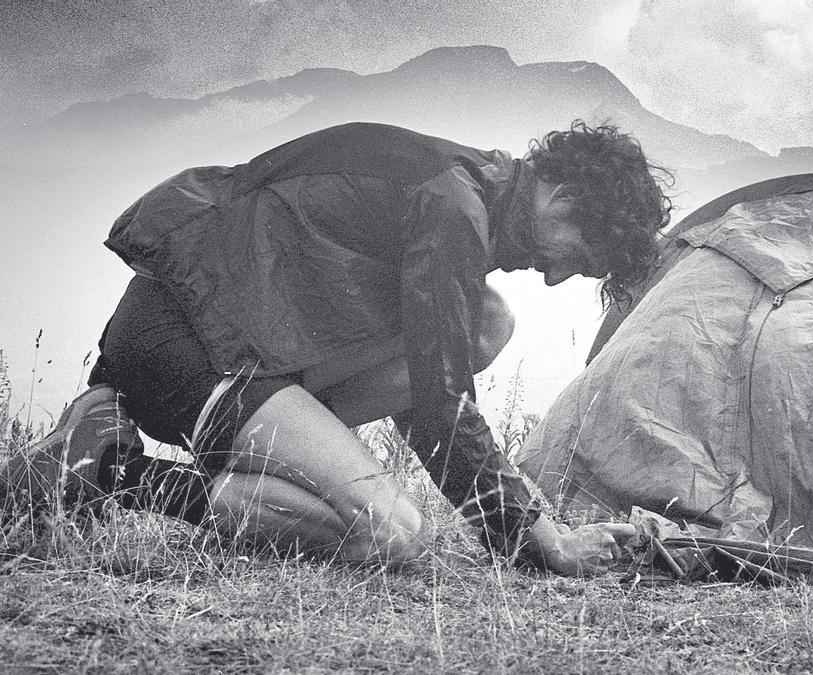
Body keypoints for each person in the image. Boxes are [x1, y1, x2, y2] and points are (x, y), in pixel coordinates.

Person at [1, 120, 672, 575]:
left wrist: (515, 524)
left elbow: (427, 384)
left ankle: (106, 425)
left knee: (488, 321)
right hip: (195, 345)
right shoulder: (453, 208)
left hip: (210, 330)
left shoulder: (461, 187)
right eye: (574, 256)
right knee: (390, 533)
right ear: (564, 193)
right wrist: (540, 538)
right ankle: (116, 473)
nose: (553, 274)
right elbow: (440, 407)